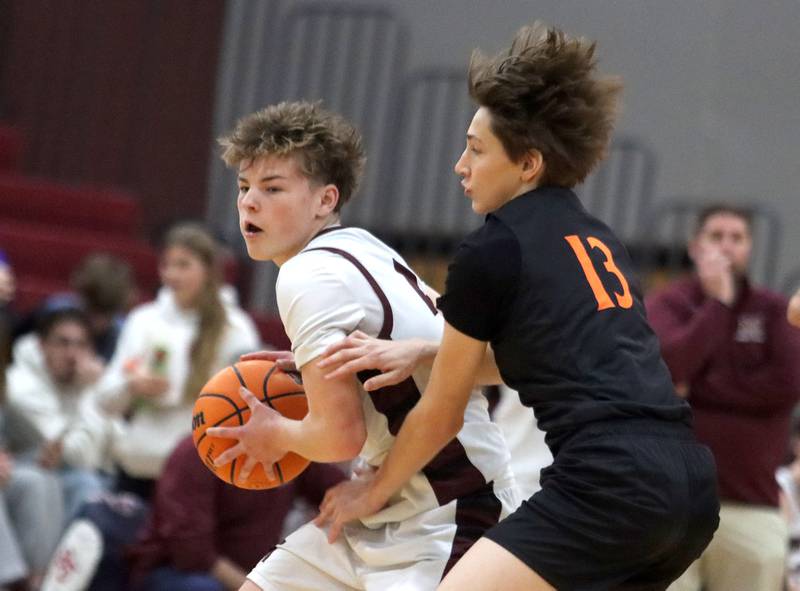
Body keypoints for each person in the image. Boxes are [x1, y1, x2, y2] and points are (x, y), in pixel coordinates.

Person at [313, 23, 720, 591]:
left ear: (528, 164)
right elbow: (546, 357)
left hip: (607, 484)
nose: (460, 164)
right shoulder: (600, 239)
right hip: (690, 486)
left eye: (476, 150)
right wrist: (429, 350)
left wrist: (371, 490)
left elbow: (442, 413)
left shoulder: (494, 247)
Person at [210, 100, 519, 590]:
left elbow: (339, 436)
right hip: (386, 492)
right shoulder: (361, 246)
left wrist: (277, 434)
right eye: (245, 188)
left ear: (325, 199)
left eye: (272, 188)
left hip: (449, 507)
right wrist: (314, 367)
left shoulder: (306, 277)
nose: (249, 203)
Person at [646, 204, 800, 591]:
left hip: (751, 503)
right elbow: (666, 369)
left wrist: (695, 388)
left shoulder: (775, 310)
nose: (727, 247)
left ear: (749, 247)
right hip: (671, 502)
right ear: (695, 247)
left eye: (737, 238)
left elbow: (788, 384)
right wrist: (718, 304)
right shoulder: (669, 302)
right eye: (716, 237)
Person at [95, 222, 260, 500]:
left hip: (203, 470)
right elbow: (104, 399)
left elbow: (249, 400)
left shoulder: (236, 328)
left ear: (208, 270)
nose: (172, 274)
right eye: (167, 264)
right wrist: (131, 385)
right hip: (141, 465)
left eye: (183, 265)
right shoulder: (143, 320)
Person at [5, 306, 109, 521]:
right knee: (87, 485)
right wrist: (91, 392)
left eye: (81, 345)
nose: (72, 354)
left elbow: (116, 450)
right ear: (42, 346)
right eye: (63, 343)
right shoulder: (20, 387)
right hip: (24, 478)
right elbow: (77, 455)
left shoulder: (77, 381)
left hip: (63, 476)